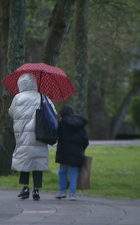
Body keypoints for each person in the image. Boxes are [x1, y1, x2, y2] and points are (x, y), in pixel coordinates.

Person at [8, 73, 57, 201]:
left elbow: (11, 112)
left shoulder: (17, 98)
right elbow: (53, 113)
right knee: (38, 161)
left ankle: (25, 188)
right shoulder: (42, 96)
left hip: (23, 134)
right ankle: (36, 190)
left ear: (20, 84)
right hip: (39, 134)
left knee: (25, 160)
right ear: (34, 83)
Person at [54, 104, 89, 200]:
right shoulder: (80, 123)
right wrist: (82, 148)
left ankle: (62, 191)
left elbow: (55, 135)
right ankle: (72, 194)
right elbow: (85, 138)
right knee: (74, 173)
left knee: (62, 171)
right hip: (76, 152)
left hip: (63, 151)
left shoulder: (60, 123)